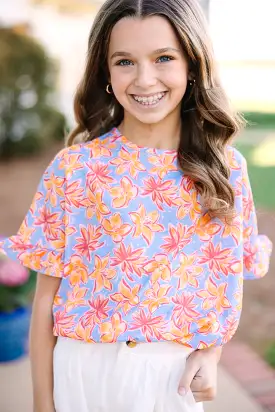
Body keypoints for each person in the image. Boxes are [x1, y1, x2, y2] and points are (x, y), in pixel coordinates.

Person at [0, 0, 272, 411]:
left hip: (168, 383)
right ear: (105, 72)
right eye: (124, 61)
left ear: (193, 66)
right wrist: (43, 402)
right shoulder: (76, 168)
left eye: (164, 57)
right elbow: (45, 302)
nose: (145, 79)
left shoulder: (223, 170)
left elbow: (222, 287)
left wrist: (210, 353)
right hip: (81, 373)